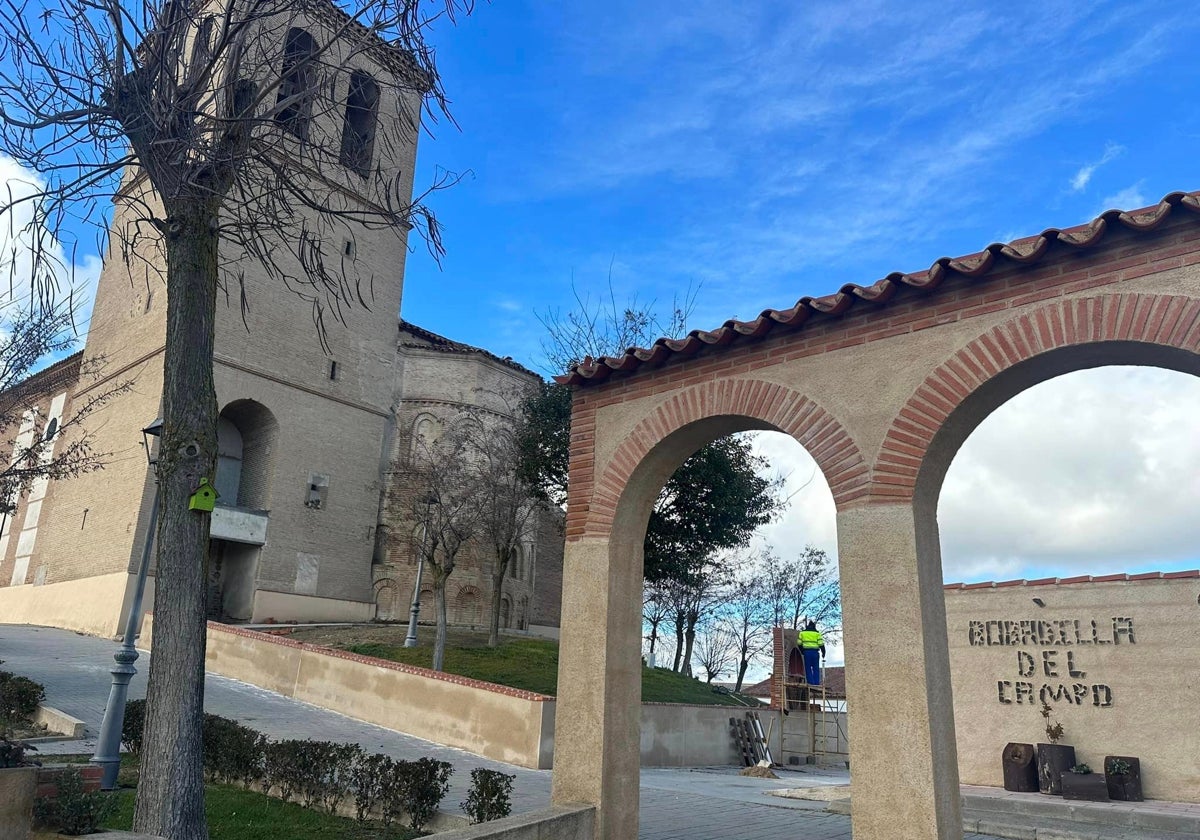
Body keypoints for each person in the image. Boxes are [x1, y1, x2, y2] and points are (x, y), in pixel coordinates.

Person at [798, 620, 825, 686]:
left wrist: (802, 651)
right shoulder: (817, 634)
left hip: (807, 652)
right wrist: (823, 652)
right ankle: (816, 683)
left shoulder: (802, 633)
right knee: (816, 668)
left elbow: (799, 643)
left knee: (808, 668)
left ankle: (810, 683)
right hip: (815, 653)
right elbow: (821, 644)